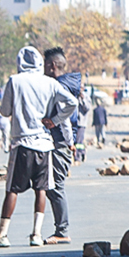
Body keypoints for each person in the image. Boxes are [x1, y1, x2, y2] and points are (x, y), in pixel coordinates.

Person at [0, 46, 78, 248]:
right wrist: (54, 120)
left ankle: (2, 234)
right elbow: (71, 102)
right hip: (44, 144)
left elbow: (5, 111)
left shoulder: (15, 81)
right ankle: (36, 234)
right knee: (41, 190)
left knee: (12, 190)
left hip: (22, 143)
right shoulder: (50, 83)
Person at [41, 48, 84, 243]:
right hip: (62, 141)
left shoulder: (59, 85)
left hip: (60, 142)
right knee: (50, 186)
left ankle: (62, 231)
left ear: (52, 66)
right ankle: (60, 229)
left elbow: (66, 118)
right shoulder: (64, 84)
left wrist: (68, 141)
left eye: (44, 64)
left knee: (55, 186)